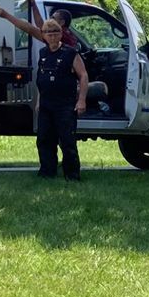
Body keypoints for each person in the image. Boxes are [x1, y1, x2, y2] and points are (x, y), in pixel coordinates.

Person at [32, 18, 89, 180]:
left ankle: (72, 174)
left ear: (61, 34)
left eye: (55, 33)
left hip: (65, 104)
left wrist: (81, 100)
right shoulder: (43, 53)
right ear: (43, 35)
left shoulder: (70, 53)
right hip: (46, 104)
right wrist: (38, 101)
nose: (52, 36)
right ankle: (47, 172)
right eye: (48, 33)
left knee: (67, 140)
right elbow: (40, 79)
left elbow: (83, 75)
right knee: (44, 139)